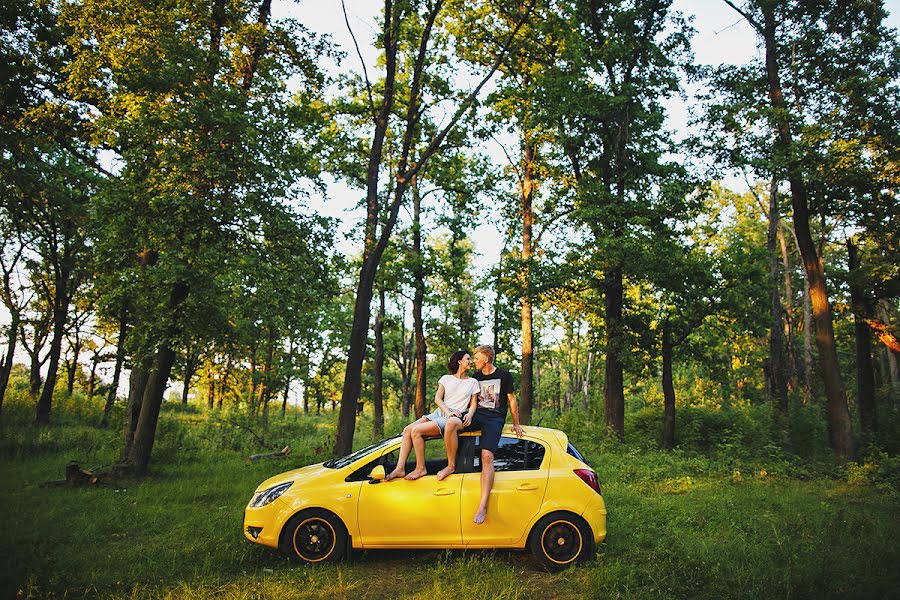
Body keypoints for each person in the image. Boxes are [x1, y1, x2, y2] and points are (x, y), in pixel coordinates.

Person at [444, 344, 524, 524]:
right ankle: (450, 464)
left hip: (494, 419)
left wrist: (516, 423)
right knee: (452, 424)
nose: (474, 361)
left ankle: (482, 506)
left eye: (477, 358)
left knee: (486, 456)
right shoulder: (476, 377)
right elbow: (468, 400)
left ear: (486, 359)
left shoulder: (504, 376)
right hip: (477, 415)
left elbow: (512, 400)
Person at [385, 350, 480, 481]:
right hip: (441, 412)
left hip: (452, 418)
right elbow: (437, 399)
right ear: (459, 362)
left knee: (416, 431)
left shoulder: (473, 382)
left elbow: (474, 404)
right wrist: (448, 411)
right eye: (468, 359)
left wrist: (469, 414)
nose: (471, 362)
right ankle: (400, 468)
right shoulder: (446, 379)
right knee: (407, 430)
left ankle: (420, 468)